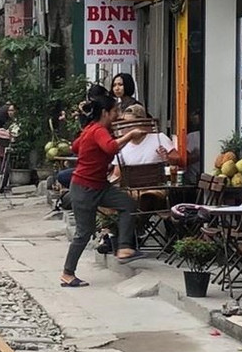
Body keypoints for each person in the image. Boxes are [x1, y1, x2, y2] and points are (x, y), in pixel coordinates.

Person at [60, 96, 150, 286]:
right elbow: (110, 148)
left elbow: (75, 147)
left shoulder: (92, 130)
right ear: (105, 113)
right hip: (85, 187)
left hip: (99, 185)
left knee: (127, 204)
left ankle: (124, 247)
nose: (117, 114)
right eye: (115, 111)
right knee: (84, 233)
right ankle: (68, 273)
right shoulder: (98, 130)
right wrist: (130, 135)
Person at [115, 103, 180, 166]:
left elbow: (178, 159)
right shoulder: (122, 143)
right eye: (125, 123)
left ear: (142, 122)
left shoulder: (159, 138)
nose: (127, 127)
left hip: (156, 176)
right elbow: (117, 173)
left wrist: (167, 158)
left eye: (131, 124)